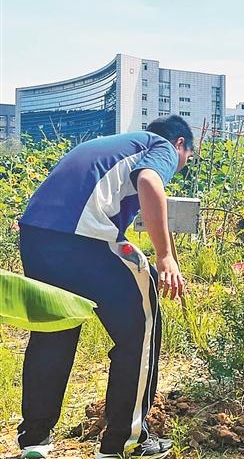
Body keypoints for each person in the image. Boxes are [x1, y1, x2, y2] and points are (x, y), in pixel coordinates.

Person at [16, 115, 194, 459]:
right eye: (186, 158)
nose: (182, 165)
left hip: (36, 236)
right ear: (180, 144)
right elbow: (149, 181)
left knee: (53, 333)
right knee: (141, 331)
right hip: (84, 237)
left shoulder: (107, 147)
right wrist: (165, 256)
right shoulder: (161, 146)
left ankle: (35, 440)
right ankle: (125, 442)